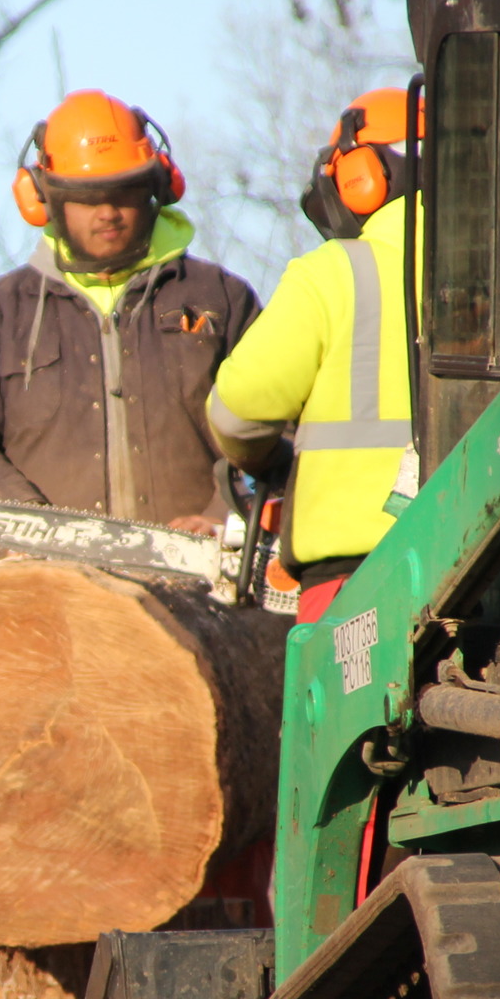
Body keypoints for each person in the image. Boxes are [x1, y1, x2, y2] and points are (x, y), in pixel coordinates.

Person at [0, 91, 262, 542]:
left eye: (124, 192)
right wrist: (20, 518)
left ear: (159, 186)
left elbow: (273, 421)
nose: (107, 212)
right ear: (43, 198)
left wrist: (225, 513)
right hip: (35, 584)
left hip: (200, 579)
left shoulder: (221, 299)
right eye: (86, 198)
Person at [206, 88, 421, 623]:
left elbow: (236, 409)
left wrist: (270, 463)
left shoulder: (332, 273)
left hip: (355, 579)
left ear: (361, 177)